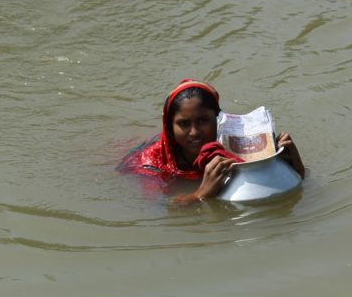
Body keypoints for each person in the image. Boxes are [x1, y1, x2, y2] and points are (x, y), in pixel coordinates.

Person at [118, 79, 305, 205]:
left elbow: (288, 183)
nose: (194, 132)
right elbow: (158, 206)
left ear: (218, 120)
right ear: (169, 128)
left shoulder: (234, 145)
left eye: (203, 120)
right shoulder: (152, 163)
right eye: (183, 124)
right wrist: (200, 193)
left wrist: (295, 165)